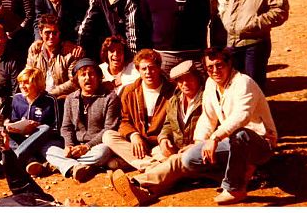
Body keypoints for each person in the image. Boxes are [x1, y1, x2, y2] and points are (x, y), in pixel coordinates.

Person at [182, 47, 278, 205]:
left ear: (229, 64)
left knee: (240, 135)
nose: (215, 71)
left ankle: (235, 188)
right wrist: (199, 141)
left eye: (219, 65)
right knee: (190, 159)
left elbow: (242, 116)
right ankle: (247, 176)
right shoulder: (211, 84)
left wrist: (215, 137)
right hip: (231, 141)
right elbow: (208, 117)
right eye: (210, 67)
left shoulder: (243, 82)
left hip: (259, 142)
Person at [109, 59, 204, 206]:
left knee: (174, 162)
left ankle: (137, 183)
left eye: (189, 79)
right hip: (172, 150)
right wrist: (164, 137)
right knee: (109, 136)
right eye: (181, 81)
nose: (185, 84)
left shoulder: (206, 99)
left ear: (198, 79)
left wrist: (197, 145)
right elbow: (168, 123)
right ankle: (148, 190)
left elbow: (214, 128)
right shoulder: (176, 100)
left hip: (199, 154)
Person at [44, 58, 120, 181]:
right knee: (49, 149)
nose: (87, 78)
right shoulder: (70, 99)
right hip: (75, 147)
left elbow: (109, 129)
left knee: (103, 152)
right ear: (77, 79)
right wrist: (69, 145)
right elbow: (66, 127)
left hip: (96, 146)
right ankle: (77, 166)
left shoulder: (109, 98)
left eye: (91, 74)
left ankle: (65, 164)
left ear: (98, 77)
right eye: (83, 75)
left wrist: (87, 147)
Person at [138, 0, 210, 75]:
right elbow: (145, 23)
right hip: (163, 56)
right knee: (165, 92)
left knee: (197, 92)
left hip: (192, 54)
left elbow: (204, 18)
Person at [101, 49, 174, 171]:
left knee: (168, 152)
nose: (148, 72)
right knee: (108, 136)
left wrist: (164, 138)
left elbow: (174, 122)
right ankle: (152, 165)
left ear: (159, 68)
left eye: (152, 68)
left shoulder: (172, 91)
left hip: (160, 143)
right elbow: (124, 121)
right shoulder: (129, 91)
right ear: (138, 70)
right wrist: (134, 135)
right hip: (138, 142)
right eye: (144, 69)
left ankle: (139, 163)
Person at [77, 0, 142, 61]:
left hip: (127, 43)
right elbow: (88, 19)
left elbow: (132, 30)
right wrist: (79, 44)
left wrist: (131, 57)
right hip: (107, 42)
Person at [7, 67, 59, 170]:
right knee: (5, 133)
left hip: (42, 140)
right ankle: (31, 161)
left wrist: (36, 128)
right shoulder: (17, 99)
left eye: (26, 83)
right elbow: (13, 121)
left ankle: (14, 159)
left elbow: (56, 129)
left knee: (45, 128)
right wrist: (11, 127)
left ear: (37, 84)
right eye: (20, 83)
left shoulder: (50, 100)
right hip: (22, 138)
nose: (22, 86)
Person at [25, 15, 78, 99]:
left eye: (54, 33)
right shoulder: (34, 52)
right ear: (40, 33)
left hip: (60, 99)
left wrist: (50, 94)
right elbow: (28, 75)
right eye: (47, 32)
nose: (51, 36)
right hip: (38, 98)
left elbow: (74, 82)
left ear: (59, 33)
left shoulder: (69, 54)